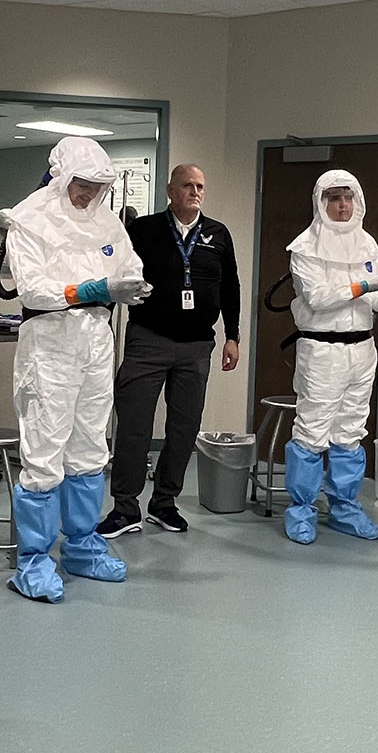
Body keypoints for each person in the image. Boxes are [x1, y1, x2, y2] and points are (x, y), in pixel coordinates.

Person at [0, 137, 150, 602]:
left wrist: (128, 286)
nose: (87, 195)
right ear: (61, 177)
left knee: (88, 445)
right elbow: (32, 290)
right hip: (49, 344)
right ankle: (35, 560)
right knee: (45, 451)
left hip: (96, 341)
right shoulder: (28, 219)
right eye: (80, 185)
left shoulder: (107, 222)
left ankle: (83, 546)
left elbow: (130, 265)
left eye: (95, 187)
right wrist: (89, 289)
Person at [102, 164, 241, 537]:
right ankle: (125, 508)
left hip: (197, 346)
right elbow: (118, 276)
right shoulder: (143, 230)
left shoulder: (217, 234)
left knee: (184, 429)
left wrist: (233, 335)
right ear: (170, 190)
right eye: (187, 185)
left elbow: (231, 286)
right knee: (134, 426)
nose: (195, 191)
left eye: (200, 186)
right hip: (148, 339)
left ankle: (164, 502)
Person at [282, 169, 378, 545]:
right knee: (312, 430)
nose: (342, 205)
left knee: (351, 429)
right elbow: (319, 299)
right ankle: (302, 509)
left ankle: (344, 507)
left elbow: (377, 300)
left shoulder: (366, 244)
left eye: (347, 197)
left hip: (362, 348)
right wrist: (368, 284)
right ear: (320, 202)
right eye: (334, 198)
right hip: (321, 349)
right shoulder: (305, 247)